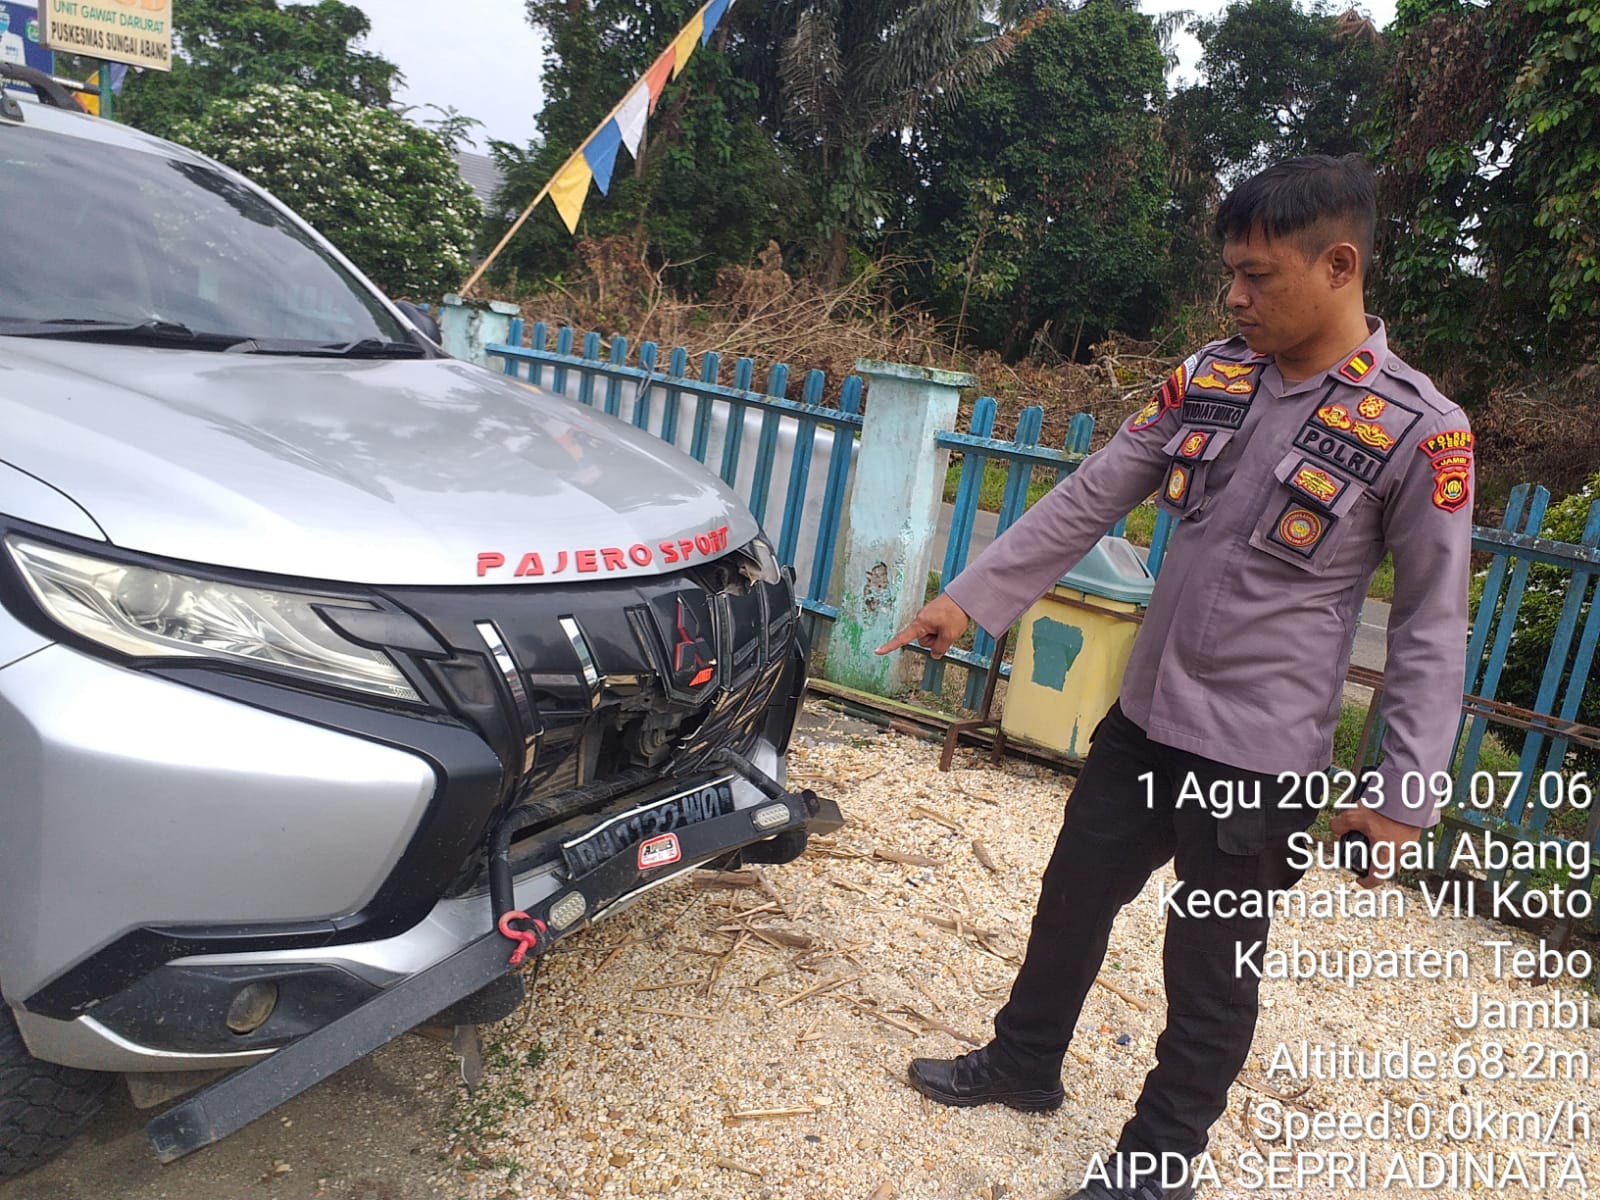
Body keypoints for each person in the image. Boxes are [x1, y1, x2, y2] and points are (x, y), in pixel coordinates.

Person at [876, 155, 1473, 1200]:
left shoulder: (1419, 433)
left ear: (1338, 266)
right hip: (1146, 722)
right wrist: (969, 599)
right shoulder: (1211, 378)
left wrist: (1399, 794)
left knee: (1207, 972)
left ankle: (1158, 1164)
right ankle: (1023, 1064)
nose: (1234, 298)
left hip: (1258, 758)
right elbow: (1093, 494)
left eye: (1258, 276)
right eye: (1229, 277)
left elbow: (1430, 625)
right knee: (1070, 901)